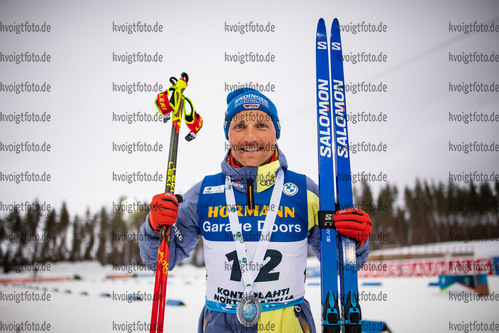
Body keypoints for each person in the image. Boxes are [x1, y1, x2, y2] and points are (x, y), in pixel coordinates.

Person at [139, 88, 372, 333]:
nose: (250, 137)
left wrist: (353, 243)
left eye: (261, 125)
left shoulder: (306, 191)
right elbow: (158, 262)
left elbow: (340, 267)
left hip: (288, 325)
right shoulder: (204, 193)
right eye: (239, 126)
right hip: (220, 325)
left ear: (276, 132)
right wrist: (154, 228)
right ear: (227, 133)